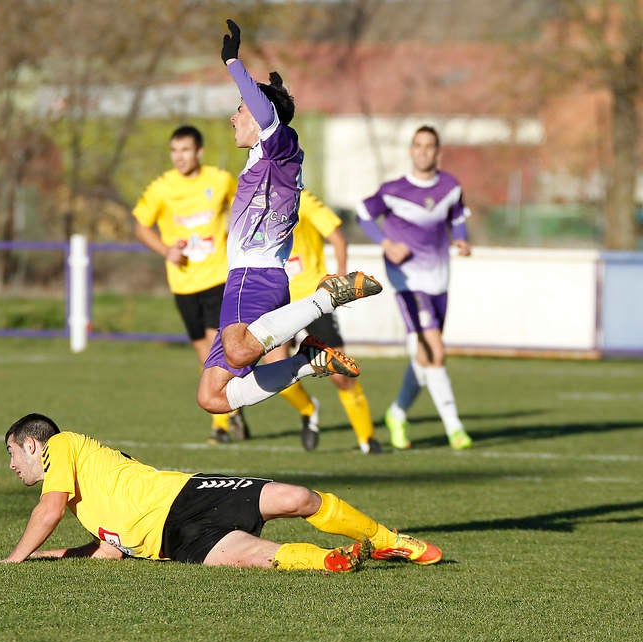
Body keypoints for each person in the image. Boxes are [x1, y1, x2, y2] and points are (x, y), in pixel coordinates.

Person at [196, 20, 383, 418]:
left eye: (239, 109)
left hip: (256, 274)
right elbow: (266, 112)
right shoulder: (272, 157)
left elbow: (265, 113)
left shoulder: (277, 146)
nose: (233, 117)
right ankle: (307, 360)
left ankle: (326, 298)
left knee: (238, 348)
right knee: (212, 397)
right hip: (244, 277)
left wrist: (233, 63)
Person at [0, 413, 442, 571]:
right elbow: (109, 552)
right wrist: (48, 558)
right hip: (175, 541)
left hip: (188, 495)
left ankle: (388, 541)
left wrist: (13, 560)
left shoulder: (61, 447)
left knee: (297, 497)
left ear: (31, 443)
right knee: (260, 555)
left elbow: (46, 511)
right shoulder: (83, 504)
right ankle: (333, 560)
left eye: (11, 453)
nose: (10, 465)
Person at [356, 125, 473, 451]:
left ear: (438, 152)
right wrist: (386, 243)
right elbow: (363, 214)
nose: (423, 151)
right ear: (411, 150)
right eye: (418, 145)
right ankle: (455, 428)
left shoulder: (451, 186)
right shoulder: (394, 190)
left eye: (429, 146)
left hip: (439, 279)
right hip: (407, 281)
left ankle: (397, 413)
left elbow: (457, 216)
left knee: (424, 356)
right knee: (435, 351)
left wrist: (461, 239)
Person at [133, 125, 250, 445]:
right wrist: (166, 250)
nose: (179, 157)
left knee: (216, 349)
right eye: (174, 151)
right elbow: (141, 226)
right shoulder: (161, 188)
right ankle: (233, 408)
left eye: (185, 150)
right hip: (183, 284)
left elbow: (245, 204)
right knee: (204, 353)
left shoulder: (219, 180)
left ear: (198, 152)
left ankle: (221, 427)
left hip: (217, 278)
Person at [262, 190, 381, 454]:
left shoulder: (303, 200)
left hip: (314, 298)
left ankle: (367, 439)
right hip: (277, 299)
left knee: (341, 372)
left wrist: (339, 279)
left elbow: (337, 238)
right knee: (273, 374)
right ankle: (309, 409)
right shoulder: (255, 202)